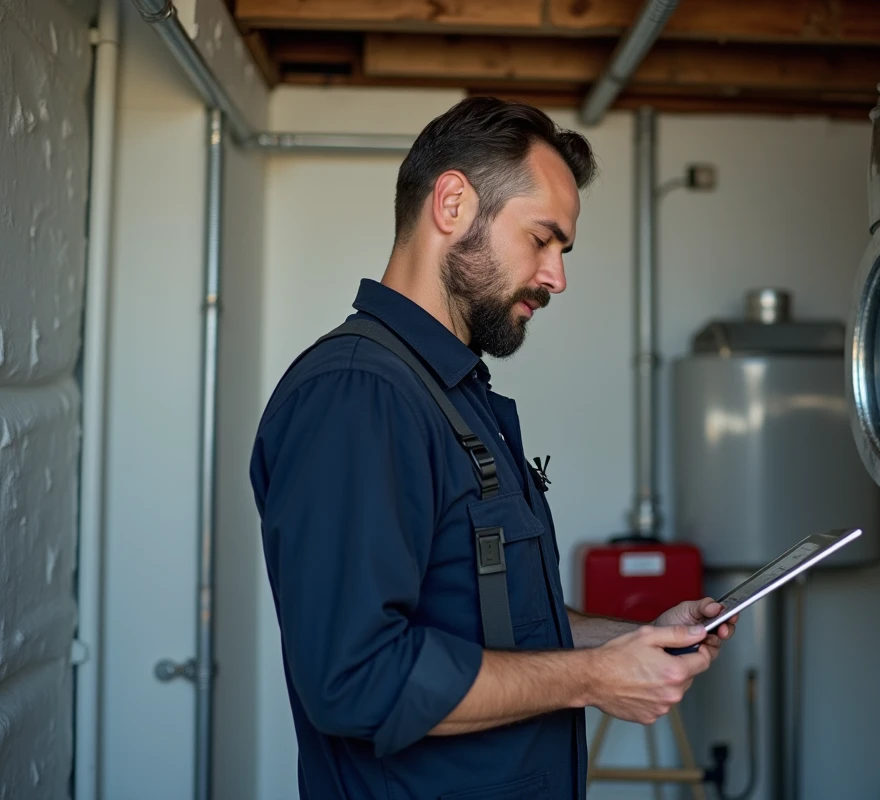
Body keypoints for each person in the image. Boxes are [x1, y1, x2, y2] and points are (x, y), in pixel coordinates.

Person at [249, 97, 737, 800]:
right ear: (452, 205)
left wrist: (628, 641)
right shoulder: (360, 394)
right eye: (541, 239)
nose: (557, 276)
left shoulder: (451, 395)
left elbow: (490, 619)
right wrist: (594, 679)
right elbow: (356, 679)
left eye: (562, 251)